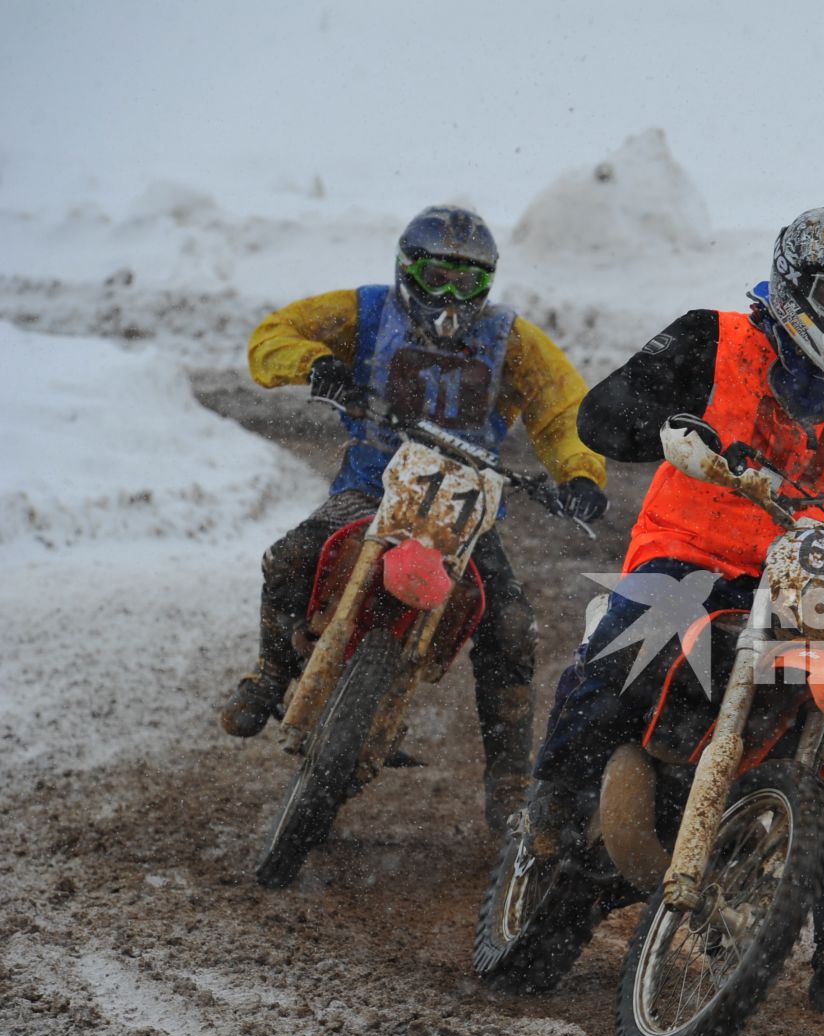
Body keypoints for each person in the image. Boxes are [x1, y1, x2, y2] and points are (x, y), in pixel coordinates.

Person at [526, 207, 824, 1018]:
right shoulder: (713, 339)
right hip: (687, 556)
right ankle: (553, 818)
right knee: (616, 665)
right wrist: (670, 428)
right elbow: (601, 417)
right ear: (788, 286)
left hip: (809, 581)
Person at [222, 205, 609, 833]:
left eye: (469, 281)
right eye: (437, 276)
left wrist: (581, 473)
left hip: (466, 510)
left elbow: (564, 409)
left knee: (511, 627)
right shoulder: (365, 310)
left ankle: (509, 780)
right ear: (407, 269)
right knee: (289, 557)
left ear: (489, 283)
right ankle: (268, 674)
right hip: (371, 490)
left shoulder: (514, 340)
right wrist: (315, 365)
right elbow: (274, 333)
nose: (451, 295)